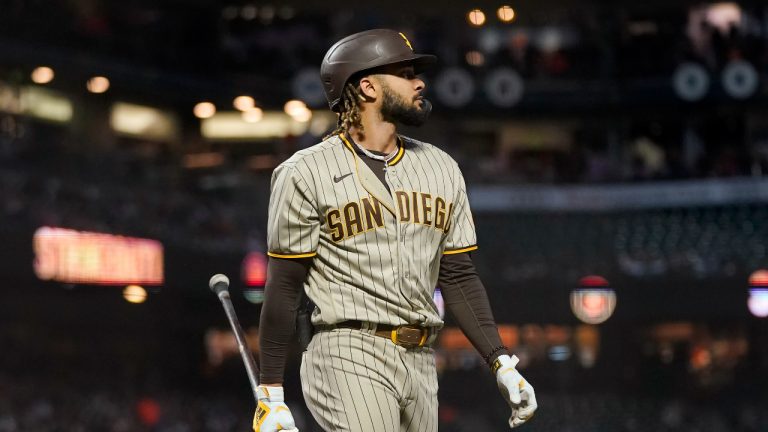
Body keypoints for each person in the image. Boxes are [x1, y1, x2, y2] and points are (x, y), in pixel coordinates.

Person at [253, 29, 537, 432]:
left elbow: (457, 275)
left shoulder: (441, 167)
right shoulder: (305, 172)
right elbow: (284, 286)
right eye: (405, 73)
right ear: (367, 86)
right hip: (346, 348)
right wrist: (271, 393)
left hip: (421, 356)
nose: (419, 82)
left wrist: (501, 361)